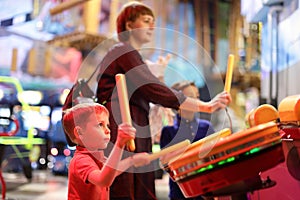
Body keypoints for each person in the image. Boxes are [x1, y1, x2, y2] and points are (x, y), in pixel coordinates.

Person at [96, 1, 231, 199]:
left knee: (136, 184)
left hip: (133, 126)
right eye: (146, 20)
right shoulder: (123, 51)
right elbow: (154, 89)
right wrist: (207, 106)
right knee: (125, 186)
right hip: (123, 128)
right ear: (129, 25)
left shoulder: (129, 55)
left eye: (153, 21)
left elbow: (153, 88)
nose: (152, 26)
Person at [62, 102, 151, 200]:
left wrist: (132, 160)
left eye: (107, 125)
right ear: (79, 132)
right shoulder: (81, 160)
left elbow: (111, 171)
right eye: (100, 125)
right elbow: (103, 179)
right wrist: (119, 144)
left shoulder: (95, 157)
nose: (108, 130)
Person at [160, 81, 215, 200]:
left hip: (207, 190)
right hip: (180, 193)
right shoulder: (168, 131)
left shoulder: (206, 127)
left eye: (197, 96)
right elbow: (165, 165)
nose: (195, 101)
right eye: (190, 97)